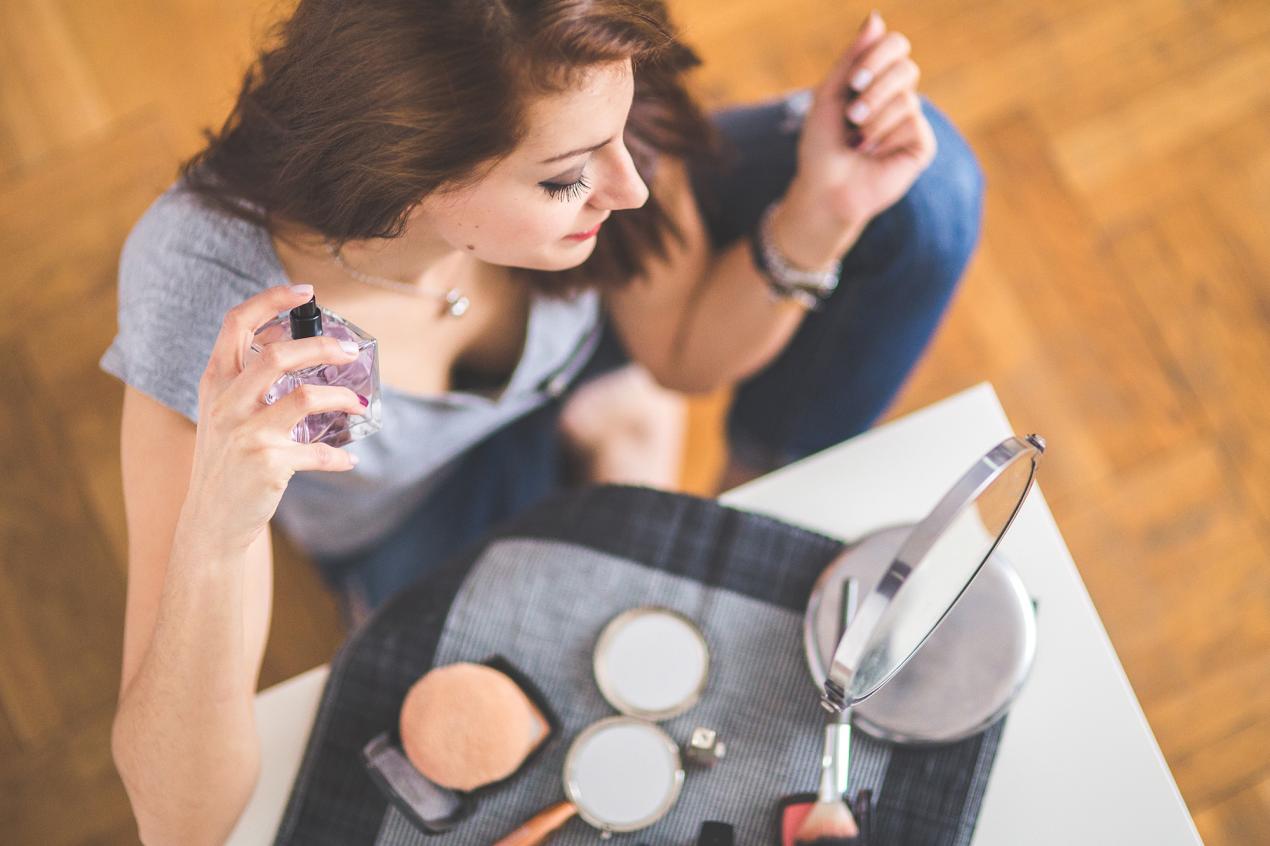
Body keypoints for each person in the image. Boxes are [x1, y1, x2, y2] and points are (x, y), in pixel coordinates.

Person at [102, 0, 983, 841]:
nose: (632, 190)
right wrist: (214, 532)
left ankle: (739, 485)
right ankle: (618, 447)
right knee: (505, 726)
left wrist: (820, 219)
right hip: (420, 509)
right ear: (410, 179)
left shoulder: (574, 76)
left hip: (585, 365)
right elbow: (181, 822)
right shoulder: (230, 309)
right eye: (568, 179)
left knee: (925, 186)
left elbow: (681, 355)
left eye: (619, 138)